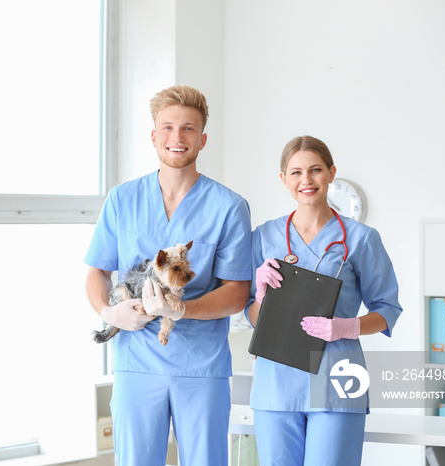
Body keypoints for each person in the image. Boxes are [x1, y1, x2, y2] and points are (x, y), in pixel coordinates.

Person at [85, 85, 252, 466]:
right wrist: (109, 314)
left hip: (201, 365)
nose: (178, 138)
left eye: (189, 129)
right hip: (136, 364)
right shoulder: (122, 200)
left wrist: (183, 312)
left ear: (203, 139)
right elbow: (96, 271)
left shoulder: (228, 207)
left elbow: (237, 293)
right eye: (168, 128)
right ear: (154, 136)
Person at [245, 135, 403, 466]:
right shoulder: (263, 237)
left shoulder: (361, 239)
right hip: (276, 382)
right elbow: (254, 316)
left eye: (315, 170)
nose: (306, 181)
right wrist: (260, 296)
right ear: (283, 179)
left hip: (338, 377)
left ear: (331, 173)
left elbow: (388, 309)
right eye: (296, 172)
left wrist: (346, 327)